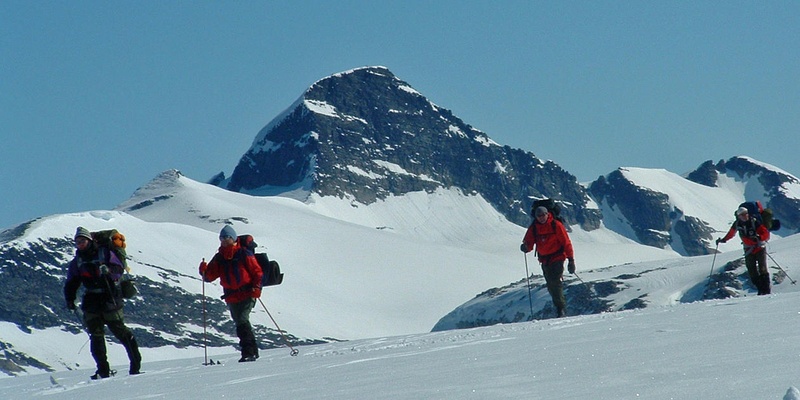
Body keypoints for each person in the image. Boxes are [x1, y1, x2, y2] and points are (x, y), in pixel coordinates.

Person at [64, 227, 142, 379]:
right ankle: (103, 371)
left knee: (120, 332)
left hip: (109, 297)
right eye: (77, 242)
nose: (80, 244)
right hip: (93, 301)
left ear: (89, 240)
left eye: (82, 241)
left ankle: (134, 367)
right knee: (96, 336)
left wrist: (109, 271)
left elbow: (119, 269)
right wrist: (70, 299)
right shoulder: (78, 261)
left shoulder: (104, 253)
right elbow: (72, 282)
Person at [199, 225, 263, 362]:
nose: (224, 240)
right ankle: (252, 351)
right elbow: (209, 277)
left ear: (233, 238)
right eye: (222, 238)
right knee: (241, 321)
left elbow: (257, 272)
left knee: (241, 320)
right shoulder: (220, 257)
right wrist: (203, 271)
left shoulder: (243, 253)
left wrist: (257, 287)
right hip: (232, 295)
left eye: (226, 237)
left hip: (246, 293)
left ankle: (248, 352)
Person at [520, 206, 576, 318]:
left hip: (558, 257)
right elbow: (529, 242)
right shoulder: (534, 227)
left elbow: (566, 243)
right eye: (538, 216)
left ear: (547, 214)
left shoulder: (556, 225)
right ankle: (560, 307)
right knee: (550, 284)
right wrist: (526, 247)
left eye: (543, 215)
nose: (541, 218)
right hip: (544, 260)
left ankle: (560, 309)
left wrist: (571, 260)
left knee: (555, 282)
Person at [717, 206, 771, 295]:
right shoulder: (738, 224)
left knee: (762, 269)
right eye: (742, 215)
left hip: (758, 247)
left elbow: (765, 233)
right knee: (752, 271)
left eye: (745, 214)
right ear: (739, 216)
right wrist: (723, 240)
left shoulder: (754, 222)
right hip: (751, 249)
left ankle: (765, 291)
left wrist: (759, 237)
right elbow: (731, 233)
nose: (745, 216)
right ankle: (762, 289)